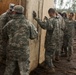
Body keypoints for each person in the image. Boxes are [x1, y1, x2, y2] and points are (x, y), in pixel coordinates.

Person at [3, 5, 38, 75]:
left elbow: (4, 35)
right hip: (23, 52)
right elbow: (34, 36)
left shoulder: (9, 23)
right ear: (22, 12)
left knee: (9, 70)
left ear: (14, 12)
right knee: (24, 71)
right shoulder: (28, 23)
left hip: (11, 51)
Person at [33, 8, 61, 73]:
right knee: (50, 55)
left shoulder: (51, 20)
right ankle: (47, 66)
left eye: (49, 13)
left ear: (51, 13)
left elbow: (44, 26)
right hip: (55, 41)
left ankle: (51, 68)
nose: (49, 15)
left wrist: (36, 18)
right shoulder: (58, 20)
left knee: (47, 55)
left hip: (50, 41)